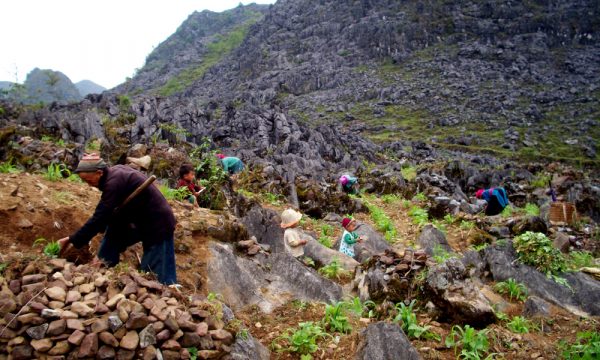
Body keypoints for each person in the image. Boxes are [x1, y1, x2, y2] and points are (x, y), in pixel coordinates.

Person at [57, 154, 177, 285]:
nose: (89, 185)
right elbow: (108, 216)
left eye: (89, 181)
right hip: (136, 219)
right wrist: (101, 252)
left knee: (154, 274)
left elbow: (99, 217)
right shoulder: (113, 175)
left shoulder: (114, 182)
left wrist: (72, 239)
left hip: (158, 223)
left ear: (99, 173)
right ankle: (103, 265)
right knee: (114, 234)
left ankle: (165, 296)